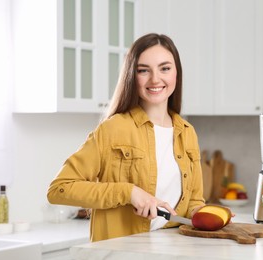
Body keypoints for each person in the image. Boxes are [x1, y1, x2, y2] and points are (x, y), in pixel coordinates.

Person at [47, 33, 206, 242]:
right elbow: (59, 189)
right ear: (132, 75)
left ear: (177, 72)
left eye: (165, 68)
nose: (155, 79)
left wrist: (208, 216)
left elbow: (194, 203)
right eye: (143, 70)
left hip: (172, 251)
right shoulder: (113, 129)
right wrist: (128, 192)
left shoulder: (187, 132)